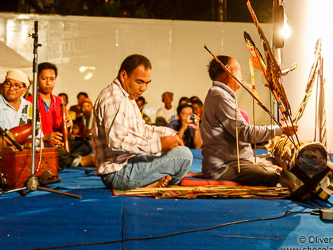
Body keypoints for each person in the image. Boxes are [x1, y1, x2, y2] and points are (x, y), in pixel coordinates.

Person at [92, 54, 193, 190]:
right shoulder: (115, 99)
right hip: (118, 173)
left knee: (180, 151)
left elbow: (141, 129)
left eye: (147, 83)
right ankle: (159, 185)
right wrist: (158, 144)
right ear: (123, 75)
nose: (143, 88)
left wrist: (170, 134)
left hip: (127, 164)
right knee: (184, 156)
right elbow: (117, 142)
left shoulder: (127, 96)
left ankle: (155, 183)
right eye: (139, 82)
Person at [201, 55, 297, 187]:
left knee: (273, 161)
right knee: (275, 176)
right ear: (227, 69)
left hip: (239, 161)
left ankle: (261, 167)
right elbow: (244, 133)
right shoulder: (220, 96)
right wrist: (280, 130)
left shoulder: (220, 94)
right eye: (239, 69)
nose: (241, 74)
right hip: (224, 167)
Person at [27, 63, 92, 167]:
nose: (48, 82)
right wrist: (44, 137)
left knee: (88, 144)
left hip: (59, 144)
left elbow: (65, 130)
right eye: (44, 78)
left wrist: (69, 125)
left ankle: (67, 159)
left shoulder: (59, 101)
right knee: (47, 149)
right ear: (37, 79)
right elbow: (26, 133)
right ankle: (73, 160)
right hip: (42, 144)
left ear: (55, 80)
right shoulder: (29, 102)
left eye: (52, 79)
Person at [0, 70, 35, 140]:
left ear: (25, 90)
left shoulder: (29, 106)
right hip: (2, 149)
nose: (11, 88)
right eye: (8, 84)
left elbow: (36, 134)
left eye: (17, 85)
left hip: (25, 149)